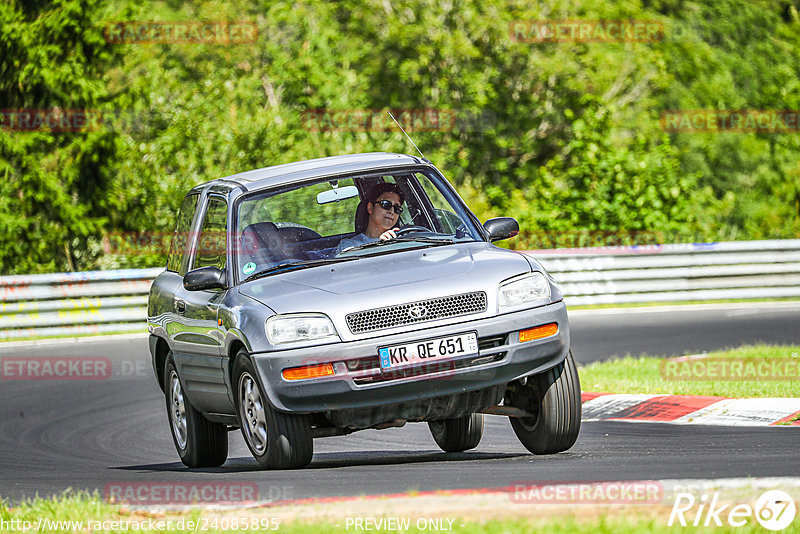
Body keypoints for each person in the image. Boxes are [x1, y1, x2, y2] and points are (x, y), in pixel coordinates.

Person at [336, 182, 405, 254]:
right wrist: (381, 246)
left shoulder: (406, 240)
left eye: (397, 208)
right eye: (386, 204)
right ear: (370, 208)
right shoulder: (349, 245)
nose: (392, 211)